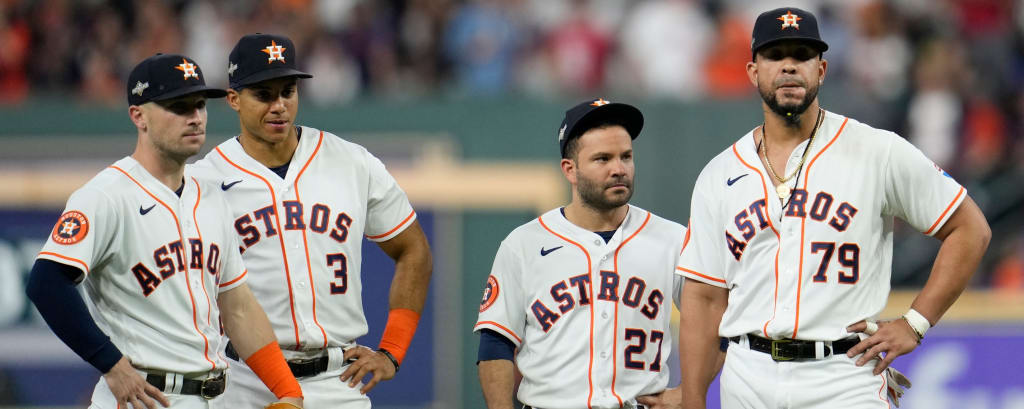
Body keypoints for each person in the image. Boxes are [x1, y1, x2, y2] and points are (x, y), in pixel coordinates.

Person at [675, 7, 991, 409]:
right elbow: (704, 299)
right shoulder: (719, 174)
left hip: (843, 375)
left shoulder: (877, 150)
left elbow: (970, 228)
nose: (789, 66)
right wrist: (693, 399)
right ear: (753, 71)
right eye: (775, 55)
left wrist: (915, 322)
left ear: (821, 70)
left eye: (802, 55)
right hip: (747, 376)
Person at [25, 53, 304, 409]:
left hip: (215, 396)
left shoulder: (211, 195)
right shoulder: (106, 195)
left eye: (200, 105)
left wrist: (287, 390)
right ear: (138, 115)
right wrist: (110, 363)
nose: (195, 118)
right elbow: (46, 282)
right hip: (147, 396)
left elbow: (238, 306)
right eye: (179, 107)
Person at [189, 33, 433, 408]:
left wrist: (393, 350)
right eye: (264, 94)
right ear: (233, 99)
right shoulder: (203, 180)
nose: (279, 105)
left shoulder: (350, 161)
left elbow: (413, 249)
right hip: (244, 381)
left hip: (338, 378)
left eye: (287, 91)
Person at [475, 98, 694, 409]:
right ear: (570, 170)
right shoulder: (523, 244)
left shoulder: (673, 239)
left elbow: (718, 322)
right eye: (602, 159)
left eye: (626, 157)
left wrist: (691, 392)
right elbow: (496, 343)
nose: (619, 169)